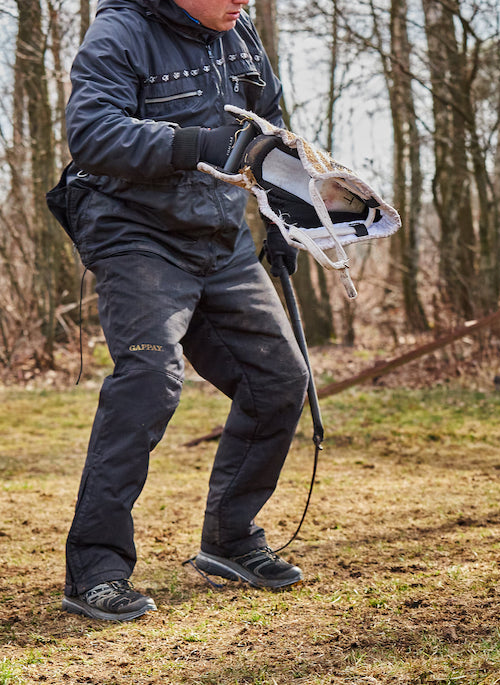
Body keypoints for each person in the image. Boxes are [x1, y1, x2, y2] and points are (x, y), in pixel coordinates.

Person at [51, 0, 309, 622]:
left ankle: (231, 537)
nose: (244, 2)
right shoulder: (122, 31)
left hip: (219, 236)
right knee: (148, 381)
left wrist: (288, 214)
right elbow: (91, 134)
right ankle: (96, 570)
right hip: (133, 232)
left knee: (279, 379)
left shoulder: (239, 31)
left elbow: (269, 128)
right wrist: (192, 143)